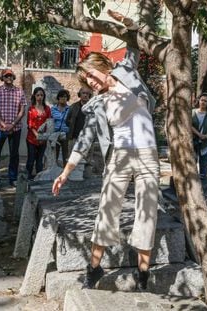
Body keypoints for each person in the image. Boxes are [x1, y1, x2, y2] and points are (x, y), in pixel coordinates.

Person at [52, 10, 158, 291]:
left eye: (91, 76)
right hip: (120, 157)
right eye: (87, 82)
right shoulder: (96, 104)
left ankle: (143, 275)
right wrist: (65, 172)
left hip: (148, 154)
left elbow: (133, 45)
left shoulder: (126, 71)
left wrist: (129, 25)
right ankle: (94, 269)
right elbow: (85, 141)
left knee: (147, 211)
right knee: (107, 209)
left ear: (102, 65)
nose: (91, 83)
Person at [0, 69, 26, 189]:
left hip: (16, 128)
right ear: (2, 78)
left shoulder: (19, 92)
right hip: (0, 128)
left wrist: (13, 124)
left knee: (14, 154)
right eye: (6, 76)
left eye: (11, 76)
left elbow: (22, 110)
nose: (9, 78)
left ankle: (13, 178)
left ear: (14, 77)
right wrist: (3, 124)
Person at [26, 87, 51, 180]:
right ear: (34, 96)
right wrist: (37, 135)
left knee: (40, 160)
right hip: (32, 138)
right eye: (38, 95)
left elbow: (49, 122)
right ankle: (28, 177)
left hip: (43, 139)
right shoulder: (31, 109)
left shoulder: (47, 108)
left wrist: (43, 136)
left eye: (41, 95)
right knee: (31, 159)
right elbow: (30, 124)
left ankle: (39, 177)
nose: (40, 97)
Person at [51, 89, 70, 167]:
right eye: (61, 96)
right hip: (55, 133)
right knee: (55, 152)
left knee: (66, 154)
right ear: (58, 98)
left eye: (65, 97)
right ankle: (54, 169)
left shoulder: (69, 109)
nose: (63, 98)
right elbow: (50, 120)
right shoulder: (53, 109)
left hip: (66, 134)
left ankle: (65, 171)